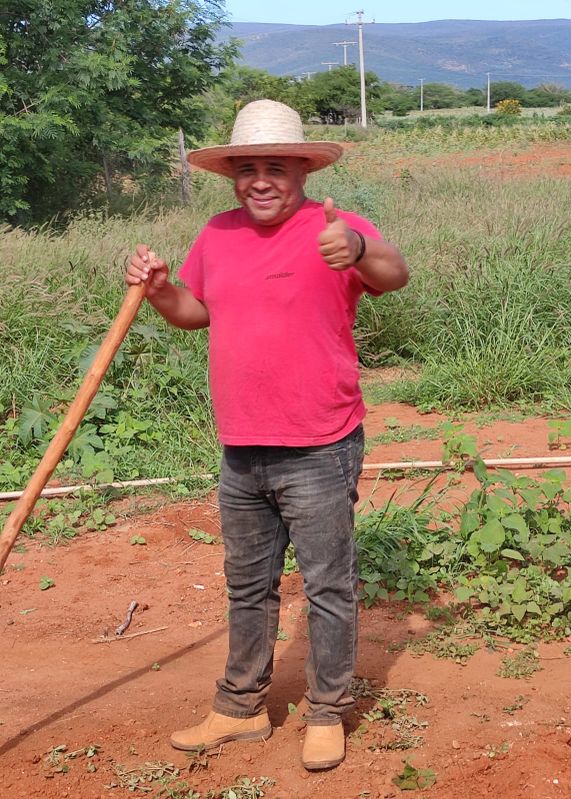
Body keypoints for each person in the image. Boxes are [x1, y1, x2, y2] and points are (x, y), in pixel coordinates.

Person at [126, 99, 409, 770]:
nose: (260, 179)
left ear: (302, 170)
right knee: (247, 584)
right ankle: (240, 706)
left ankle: (326, 710)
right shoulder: (217, 234)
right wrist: (163, 288)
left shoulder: (332, 228)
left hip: (319, 446)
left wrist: (362, 249)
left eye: (275, 166)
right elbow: (197, 313)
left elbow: (394, 275)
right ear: (231, 174)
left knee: (327, 586)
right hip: (241, 449)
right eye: (247, 167)